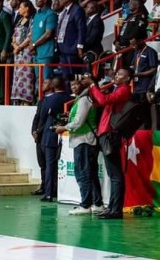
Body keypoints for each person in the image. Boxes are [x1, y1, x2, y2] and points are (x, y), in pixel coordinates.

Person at [86, 68, 133, 220]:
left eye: (120, 74)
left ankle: (116, 209)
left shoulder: (124, 90)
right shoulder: (117, 89)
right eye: (117, 73)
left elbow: (104, 100)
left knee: (115, 174)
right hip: (106, 133)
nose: (116, 76)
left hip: (111, 134)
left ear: (127, 79)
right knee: (113, 173)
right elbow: (100, 102)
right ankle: (112, 207)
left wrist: (93, 86)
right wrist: (94, 89)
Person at [55, 78, 104, 215]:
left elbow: (78, 122)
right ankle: (97, 203)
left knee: (83, 172)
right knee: (91, 173)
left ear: (84, 86)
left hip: (84, 140)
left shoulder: (83, 100)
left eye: (77, 84)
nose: (74, 86)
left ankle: (85, 204)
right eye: (72, 84)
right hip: (84, 140)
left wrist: (63, 127)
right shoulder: (82, 99)